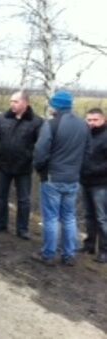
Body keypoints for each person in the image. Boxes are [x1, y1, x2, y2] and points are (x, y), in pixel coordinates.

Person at [32, 91, 90, 266]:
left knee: (51, 218)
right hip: (73, 178)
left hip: (53, 178)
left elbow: (40, 151)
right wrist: (77, 170)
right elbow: (87, 152)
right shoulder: (83, 125)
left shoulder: (51, 125)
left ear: (56, 106)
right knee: (69, 217)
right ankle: (69, 254)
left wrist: (39, 169)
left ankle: (48, 254)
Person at [0, 91, 43, 239]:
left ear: (25, 103)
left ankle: (22, 229)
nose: (12, 104)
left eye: (15, 101)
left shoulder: (36, 122)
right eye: (11, 101)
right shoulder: (3, 118)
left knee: (23, 199)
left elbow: (42, 145)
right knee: (1, 196)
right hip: (4, 164)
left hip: (24, 167)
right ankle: (0, 223)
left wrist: (37, 161)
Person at [80, 108, 107, 263]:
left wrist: (92, 170)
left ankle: (104, 251)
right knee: (89, 216)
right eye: (89, 120)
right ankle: (89, 245)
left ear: (103, 119)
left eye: (95, 120)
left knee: (102, 218)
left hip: (101, 184)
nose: (91, 123)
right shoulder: (85, 134)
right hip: (85, 181)